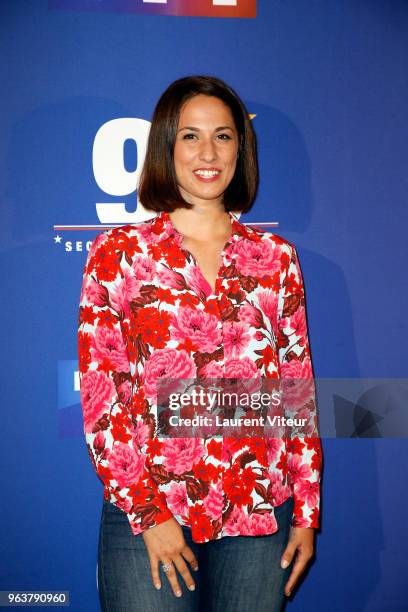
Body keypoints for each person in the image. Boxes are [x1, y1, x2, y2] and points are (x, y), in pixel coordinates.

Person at [78, 75, 323, 612]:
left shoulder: (276, 258)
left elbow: (296, 391)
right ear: (167, 146)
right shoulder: (118, 253)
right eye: (190, 136)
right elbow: (102, 398)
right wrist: (149, 515)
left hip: (261, 511)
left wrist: (306, 510)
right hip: (150, 513)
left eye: (224, 136)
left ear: (242, 148)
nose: (207, 152)